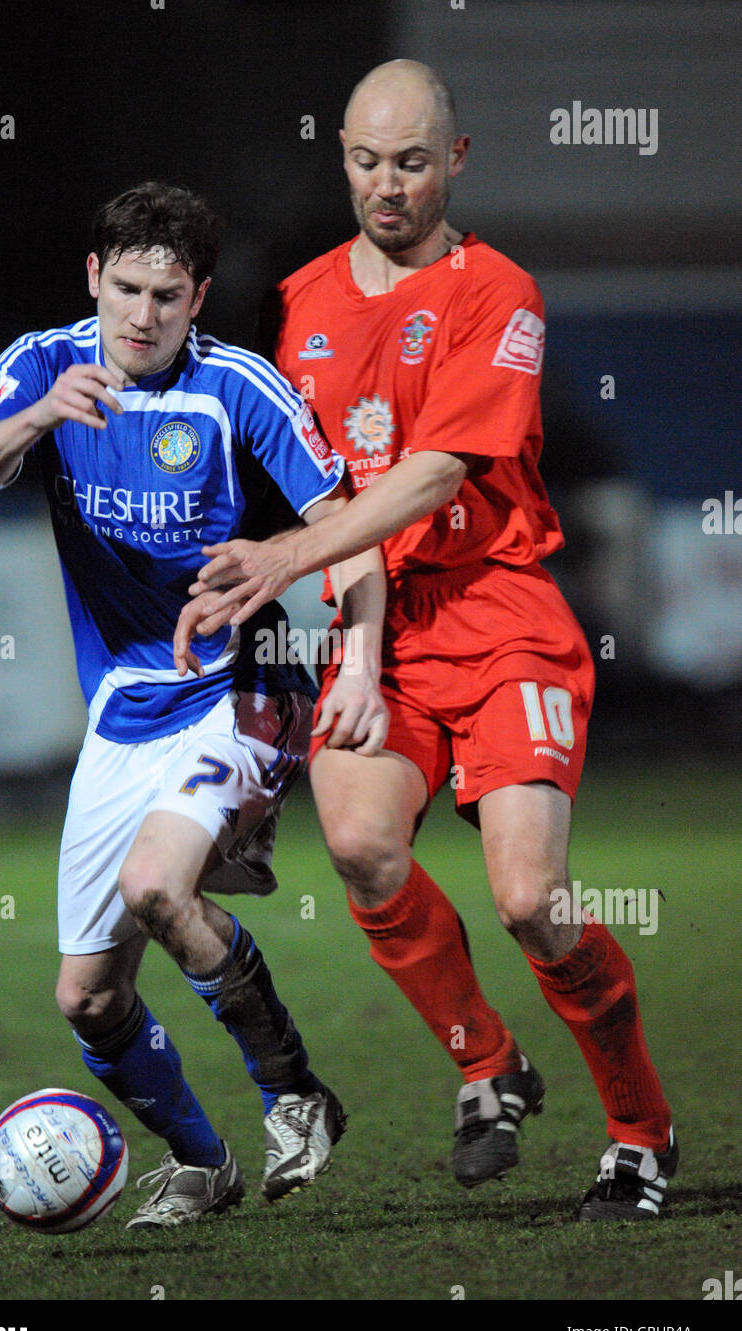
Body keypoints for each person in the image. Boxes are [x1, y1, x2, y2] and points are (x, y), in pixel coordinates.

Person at [179, 62, 677, 1221]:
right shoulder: (294, 302)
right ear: (340, 153)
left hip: (497, 612)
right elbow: (308, 490)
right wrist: (340, 642)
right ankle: (485, 1064)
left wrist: (289, 563)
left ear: (452, 161)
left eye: (410, 162)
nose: (385, 185)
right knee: (356, 843)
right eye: (364, 160)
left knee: (529, 900)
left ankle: (639, 1133)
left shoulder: (494, 289)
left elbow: (433, 473)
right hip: (374, 621)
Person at [0, 181, 389, 1229]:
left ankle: (295, 1092)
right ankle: (202, 1162)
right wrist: (40, 414)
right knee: (86, 999)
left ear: (200, 298)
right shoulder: (43, 364)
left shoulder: (239, 390)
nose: (142, 317)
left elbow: (354, 531)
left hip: (240, 682)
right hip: (125, 708)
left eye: (169, 296)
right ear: (93, 278)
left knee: (155, 885)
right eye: (127, 289)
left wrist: (358, 662)